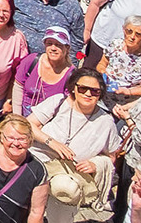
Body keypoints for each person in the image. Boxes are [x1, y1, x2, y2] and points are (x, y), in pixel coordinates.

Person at [28, 68, 124, 223]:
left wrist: (95, 164)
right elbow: (29, 124)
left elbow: (112, 156)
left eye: (95, 91)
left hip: (67, 179)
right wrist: (51, 142)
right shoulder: (58, 102)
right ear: (73, 87)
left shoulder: (106, 122)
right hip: (37, 165)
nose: (88, 94)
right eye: (83, 88)